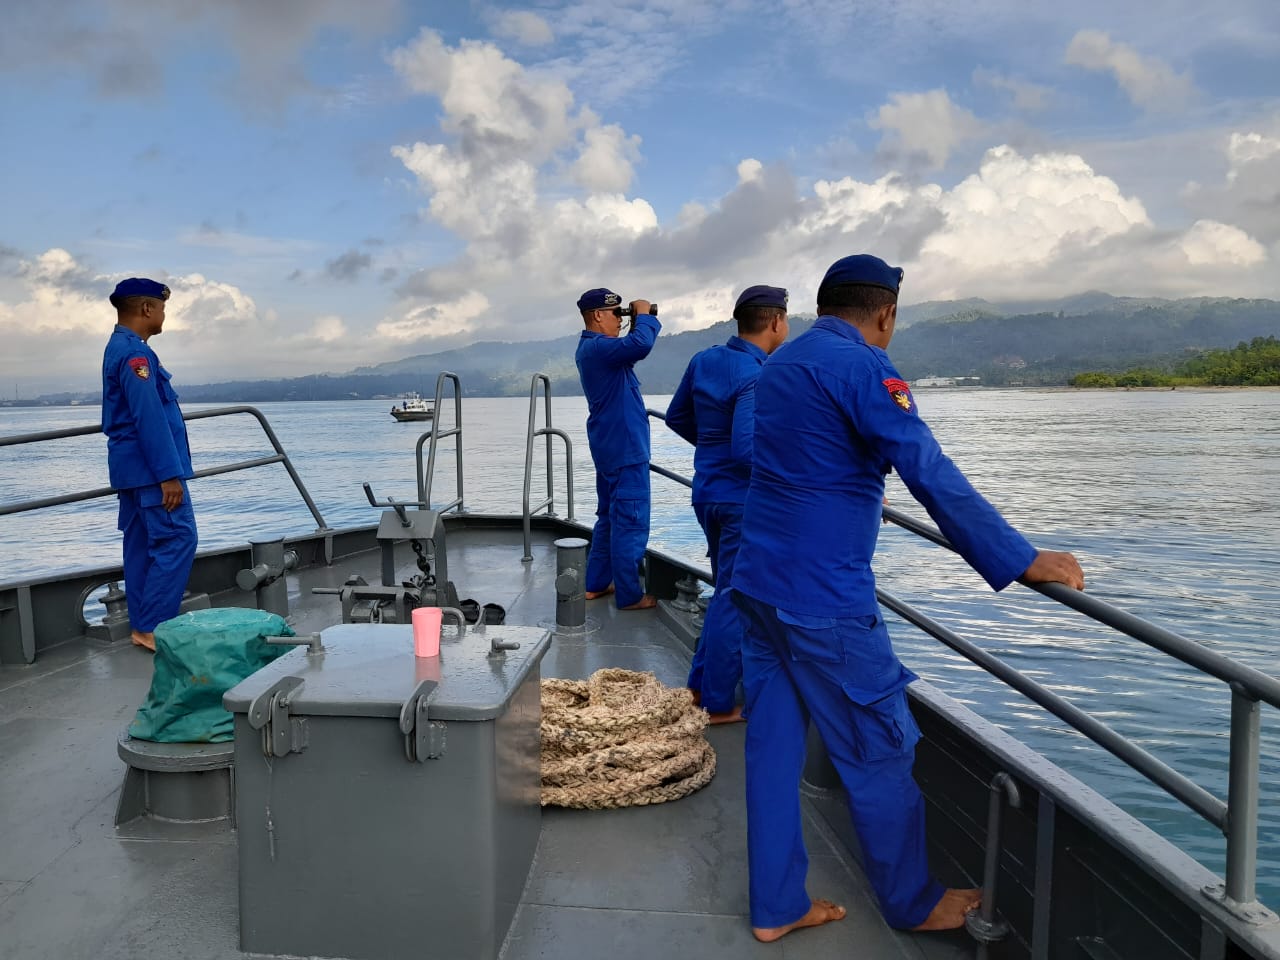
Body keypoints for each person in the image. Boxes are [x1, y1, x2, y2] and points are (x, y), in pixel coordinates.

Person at [729, 254, 1085, 941]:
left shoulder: (780, 363)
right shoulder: (863, 366)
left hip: (758, 585)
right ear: (886, 313)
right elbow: (924, 464)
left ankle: (776, 906)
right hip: (822, 599)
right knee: (879, 748)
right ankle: (914, 901)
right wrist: (1019, 557)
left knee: (772, 752)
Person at [665, 285, 790, 723]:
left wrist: (710, 447)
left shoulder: (705, 360)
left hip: (707, 494)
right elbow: (748, 450)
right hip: (740, 502)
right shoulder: (758, 374)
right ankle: (717, 702)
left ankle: (699, 687)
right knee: (733, 599)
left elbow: (678, 417)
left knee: (724, 591)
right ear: (776, 322)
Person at [102, 277, 199, 652]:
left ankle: (143, 627)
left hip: (132, 469)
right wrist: (169, 475)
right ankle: (154, 627)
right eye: (161, 308)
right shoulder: (135, 356)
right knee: (177, 538)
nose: (163, 315)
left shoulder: (120, 348)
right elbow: (149, 418)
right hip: (150, 471)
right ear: (146, 309)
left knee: (142, 543)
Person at [575, 288, 661, 610]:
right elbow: (642, 344)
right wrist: (645, 315)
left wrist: (635, 317)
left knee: (609, 517)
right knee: (631, 519)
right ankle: (630, 595)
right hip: (625, 448)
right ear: (598, 315)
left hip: (609, 445)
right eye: (615, 315)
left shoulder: (594, 349)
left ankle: (596, 583)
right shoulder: (599, 348)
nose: (618, 322)